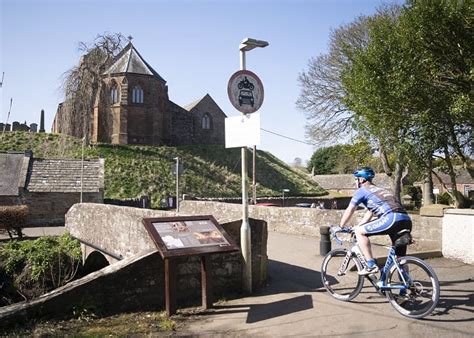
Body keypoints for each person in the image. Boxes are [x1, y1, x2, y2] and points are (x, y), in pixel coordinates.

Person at [340, 167, 412, 275]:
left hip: (392, 218)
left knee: (359, 232)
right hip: (406, 220)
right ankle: (408, 286)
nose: (355, 182)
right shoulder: (381, 190)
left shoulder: (362, 191)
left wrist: (341, 225)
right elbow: (370, 213)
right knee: (399, 259)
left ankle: (370, 265)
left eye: (356, 179)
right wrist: (359, 226)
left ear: (361, 180)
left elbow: (350, 210)